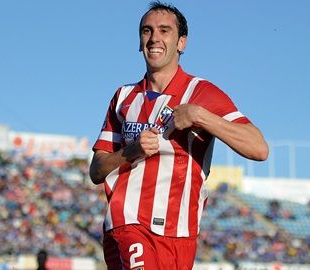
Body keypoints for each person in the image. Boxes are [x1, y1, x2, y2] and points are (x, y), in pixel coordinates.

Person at [90, 2, 268, 269]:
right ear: (140, 41)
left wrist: (200, 116)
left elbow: (259, 148)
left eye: (164, 30)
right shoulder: (123, 97)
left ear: (181, 42)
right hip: (129, 223)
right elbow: (96, 170)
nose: (154, 38)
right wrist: (130, 152)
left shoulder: (202, 93)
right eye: (147, 31)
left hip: (181, 233)